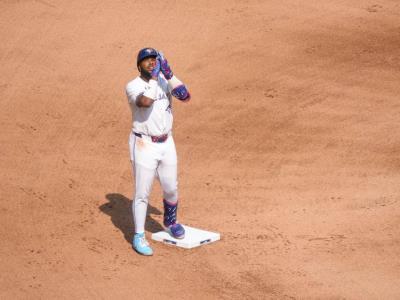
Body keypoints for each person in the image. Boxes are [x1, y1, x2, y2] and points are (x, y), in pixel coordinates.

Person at [125, 48, 191, 256]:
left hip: (166, 143)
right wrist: (155, 79)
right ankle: (138, 235)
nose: (151, 62)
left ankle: (171, 221)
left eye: (154, 59)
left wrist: (169, 75)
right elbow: (144, 103)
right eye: (146, 60)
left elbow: (185, 96)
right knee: (142, 194)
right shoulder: (133, 86)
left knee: (171, 188)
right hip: (143, 145)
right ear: (139, 66)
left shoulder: (164, 80)